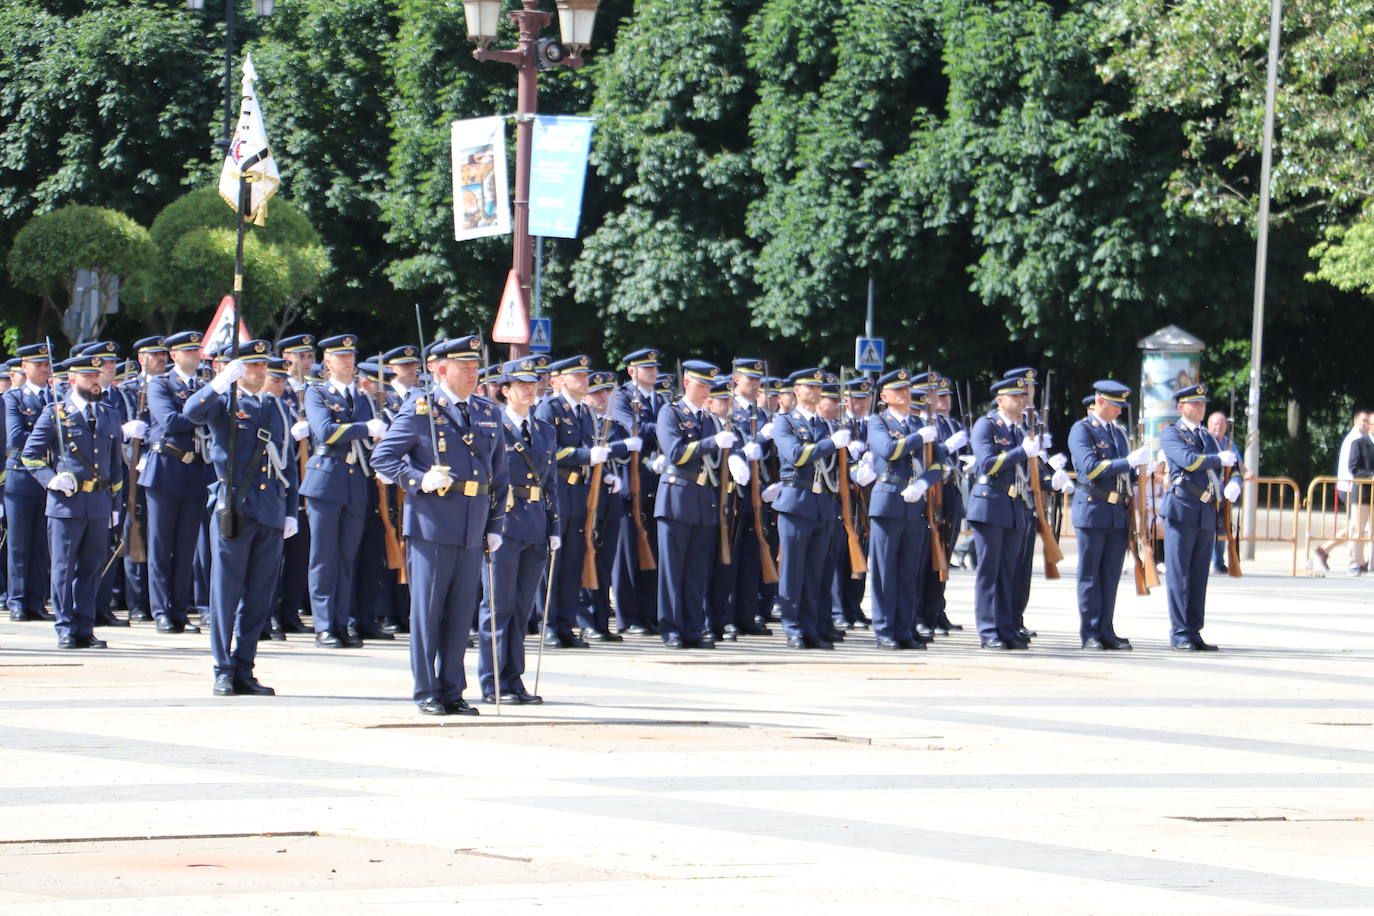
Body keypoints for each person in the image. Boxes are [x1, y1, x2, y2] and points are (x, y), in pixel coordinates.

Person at [371, 335, 508, 716]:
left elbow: (500, 474)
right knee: (428, 613)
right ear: (442, 370)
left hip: (472, 524)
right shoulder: (421, 409)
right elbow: (382, 457)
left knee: (460, 612)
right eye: (463, 368)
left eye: (474, 368)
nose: (471, 374)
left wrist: (495, 523)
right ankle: (426, 690)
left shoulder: (486, 410)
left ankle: (452, 689)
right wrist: (417, 479)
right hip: (432, 522)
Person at [184, 341, 298, 695]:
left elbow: (288, 463)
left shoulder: (276, 408)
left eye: (263, 366)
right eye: (252, 366)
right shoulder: (223, 404)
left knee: (259, 596)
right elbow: (191, 412)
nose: (260, 371)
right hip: (234, 506)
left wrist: (290, 510)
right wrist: (218, 383)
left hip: (271, 510)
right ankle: (222, 668)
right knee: (226, 592)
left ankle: (245, 667)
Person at [22, 354, 123, 649]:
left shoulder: (110, 414)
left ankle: (84, 626)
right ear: (72, 380)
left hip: (99, 502)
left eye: (97, 375)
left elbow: (115, 466)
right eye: (89, 376)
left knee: (91, 568)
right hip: (67, 503)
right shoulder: (56, 412)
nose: (95, 381)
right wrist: (50, 478)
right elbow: (30, 454)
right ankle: (65, 626)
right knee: (64, 568)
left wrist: (114, 506)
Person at [477, 358, 557, 705]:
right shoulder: (492, 427)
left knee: (523, 609)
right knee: (498, 607)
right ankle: (493, 681)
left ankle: (514, 679)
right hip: (505, 525)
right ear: (504, 390)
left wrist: (554, 526)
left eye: (533, 384)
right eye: (521, 385)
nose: (530, 389)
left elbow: (551, 484)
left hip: (536, 524)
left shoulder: (543, 430)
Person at [301, 334, 386, 648]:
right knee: (324, 556)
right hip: (325, 480)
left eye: (351, 358)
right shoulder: (317, 393)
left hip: (354, 483)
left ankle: (341, 622)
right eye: (342, 358)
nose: (349, 363)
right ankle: (324, 625)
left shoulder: (361, 398)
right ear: (328, 362)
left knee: (346, 556)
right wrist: (365, 428)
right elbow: (324, 432)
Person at [654, 360, 736, 648]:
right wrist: (714, 442)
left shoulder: (711, 419)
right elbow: (675, 452)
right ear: (686, 383)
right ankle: (671, 628)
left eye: (709, 385)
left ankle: (693, 627)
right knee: (672, 570)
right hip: (676, 498)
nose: (706, 390)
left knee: (696, 571)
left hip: (704, 500)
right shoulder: (671, 413)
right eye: (701, 384)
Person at [1067, 381, 1151, 650]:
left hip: (1116, 512)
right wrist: (1128, 462)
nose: (1119, 411)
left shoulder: (1118, 434)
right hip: (1093, 508)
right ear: (1100, 401)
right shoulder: (1082, 430)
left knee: (1110, 574)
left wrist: (1142, 469)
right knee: (1090, 574)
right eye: (1115, 405)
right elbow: (1089, 468)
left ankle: (1106, 629)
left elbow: (1124, 473)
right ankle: (1090, 631)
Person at [866, 369, 944, 650]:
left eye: (907, 389)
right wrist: (917, 438)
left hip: (915, 504)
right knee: (885, 571)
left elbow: (939, 464)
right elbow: (887, 449)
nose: (904, 394)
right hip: (887, 500)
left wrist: (923, 483)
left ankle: (904, 628)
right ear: (884, 396)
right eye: (897, 391)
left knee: (909, 572)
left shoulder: (918, 423)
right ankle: (885, 630)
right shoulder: (877, 421)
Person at [771, 368, 848, 650]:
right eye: (809, 387)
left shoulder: (826, 426)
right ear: (796, 390)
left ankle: (811, 626)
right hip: (797, 500)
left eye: (818, 388)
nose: (815, 392)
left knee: (816, 572)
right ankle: (792, 628)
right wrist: (830, 444)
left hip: (823, 504)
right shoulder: (785, 422)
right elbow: (796, 455)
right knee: (793, 571)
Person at [141, 331, 211, 635]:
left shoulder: (204, 386)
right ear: (174, 356)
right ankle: (161, 611)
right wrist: (203, 416)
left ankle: (180, 609)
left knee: (186, 547)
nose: (196, 355)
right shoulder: (160, 384)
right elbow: (169, 422)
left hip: (195, 471)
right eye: (189, 351)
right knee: (161, 544)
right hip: (166, 469)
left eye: (197, 350)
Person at [1159, 384, 1240, 651]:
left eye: (1203, 403)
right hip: (1182, 509)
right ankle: (1180, 632)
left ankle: (1194, 631)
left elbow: (1234, 465)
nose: (1201, 408)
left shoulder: (1209, 437)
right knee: (1180, 574)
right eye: (1195, 404)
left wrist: (1235, 482)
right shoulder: (1172, 433)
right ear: (1181, 407)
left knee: (1198, 576)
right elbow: (1189, 460)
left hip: (1206, 512)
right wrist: (1218, 459)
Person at [967, 376, 1039, 649]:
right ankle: (988, 630)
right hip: (990, 503)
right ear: (1000, 400)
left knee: (1010, 571)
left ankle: (1006, 627)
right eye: (1015, 397)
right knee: (990, 571)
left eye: (1023, 396)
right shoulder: (986, 425)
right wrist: (1021, 452)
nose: (1022, 400)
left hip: (1014, 505)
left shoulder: (1020, 431)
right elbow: (986, 464)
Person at [610, 349, 663, 635]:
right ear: (632, 372)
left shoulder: (660, 399)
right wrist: (664, 428)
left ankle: (649, 612)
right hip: (631, 481)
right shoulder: (620, 397)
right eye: (646, 368)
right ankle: (628, 616)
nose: (653, 371)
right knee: (629, 552)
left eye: (654, 367)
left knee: (651, 550)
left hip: (655, 480)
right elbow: (631, 427)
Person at [5, 343, 55, 622]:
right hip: (21, 476)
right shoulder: (13, 398)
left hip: (48, 478)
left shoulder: (56, 396)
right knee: (20, 543)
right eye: (39, 365)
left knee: (41, 545)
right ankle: (17, 600)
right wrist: (47, 434)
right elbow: (15, 438)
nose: (44, 369)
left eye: (47, 364)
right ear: (24, 367)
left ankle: (37, 600)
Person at [1313, 410, 1369, 575]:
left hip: (1352, 486)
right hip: (1352, 487)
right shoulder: (1356, 439)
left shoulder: (1359, 438)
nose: (1367, 424)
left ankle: (1327, 550)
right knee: (1356, 526)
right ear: (1355, 421)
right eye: (1363, 421)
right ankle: (1333, 552)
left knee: (1357, 525)